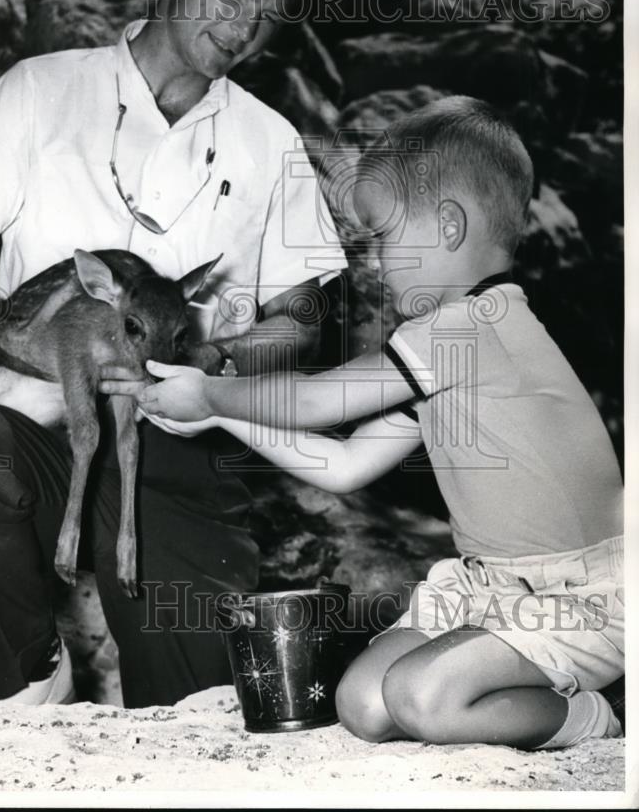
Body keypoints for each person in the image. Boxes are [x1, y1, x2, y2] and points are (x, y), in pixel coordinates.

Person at [0, 0, 347, 707]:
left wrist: (208, 360)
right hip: (32, 430)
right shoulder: (42, 89)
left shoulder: (271, 142)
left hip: (179, 449)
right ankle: (32, 670)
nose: (245, 26)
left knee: (202, 717)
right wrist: (12, 336)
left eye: (270, 10)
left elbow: (300, 325)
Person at [109, 96, 625, 749]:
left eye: (382, 235)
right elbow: (346, 462)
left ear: (446, 225)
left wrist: (212, 395)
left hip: (576, 599)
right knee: (363, 704)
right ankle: (522, 688)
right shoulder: (453, 351)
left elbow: (318, 400)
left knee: (420, 698)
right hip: (485, 588)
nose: (374, 260)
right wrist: (225, 413)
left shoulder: (472, 326)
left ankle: (595, 717)